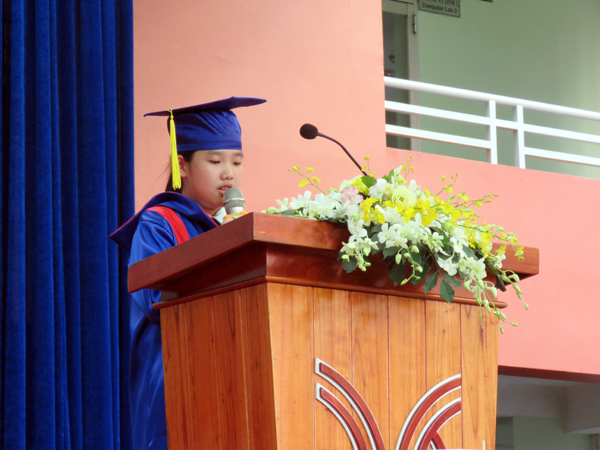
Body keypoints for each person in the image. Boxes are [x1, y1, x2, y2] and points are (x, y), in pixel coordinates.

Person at [110, 96, 266, 450]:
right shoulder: (159, 222)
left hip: (229, 373)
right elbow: (154, 299)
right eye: (215, 160)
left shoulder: (232, 227)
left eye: (237, 161)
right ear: (183, 165)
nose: (229, 173)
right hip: (174, 370)